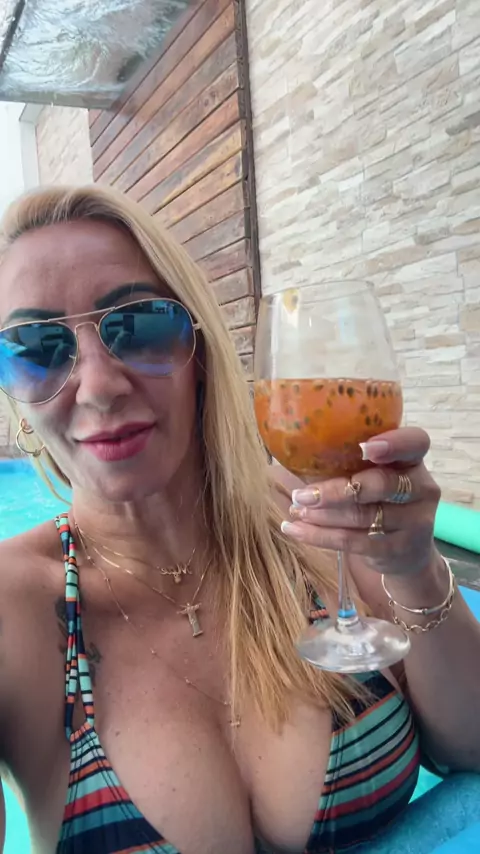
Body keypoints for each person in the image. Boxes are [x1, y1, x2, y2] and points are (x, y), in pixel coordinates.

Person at [0, 185, 478, 854]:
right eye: (36, 347)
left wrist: (414, 567)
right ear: (13, 394)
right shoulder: (15, 608)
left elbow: (468, 746)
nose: (100, 386)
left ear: (198, 354)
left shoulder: (316, 520)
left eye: (138, 325)